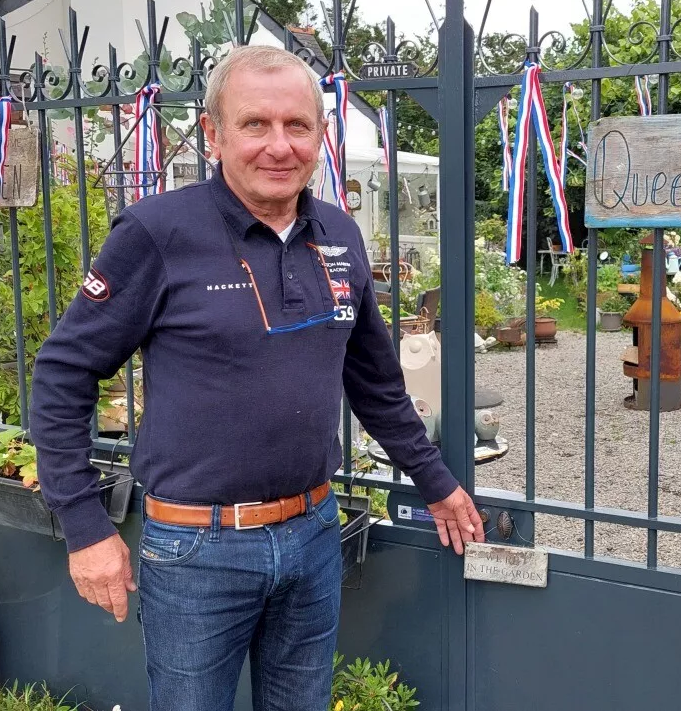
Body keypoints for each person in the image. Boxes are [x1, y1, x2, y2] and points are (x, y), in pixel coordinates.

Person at [29, 45, 484, 711]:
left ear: (320, 134)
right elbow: (64, 371)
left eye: (297, 125)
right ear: (213, 133)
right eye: (255, 125)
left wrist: (436, 482)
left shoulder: (339, 234)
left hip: (313, 534)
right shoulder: (157, 234)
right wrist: (85, 527)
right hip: (195, 550)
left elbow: (376, 379)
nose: (279, 145)